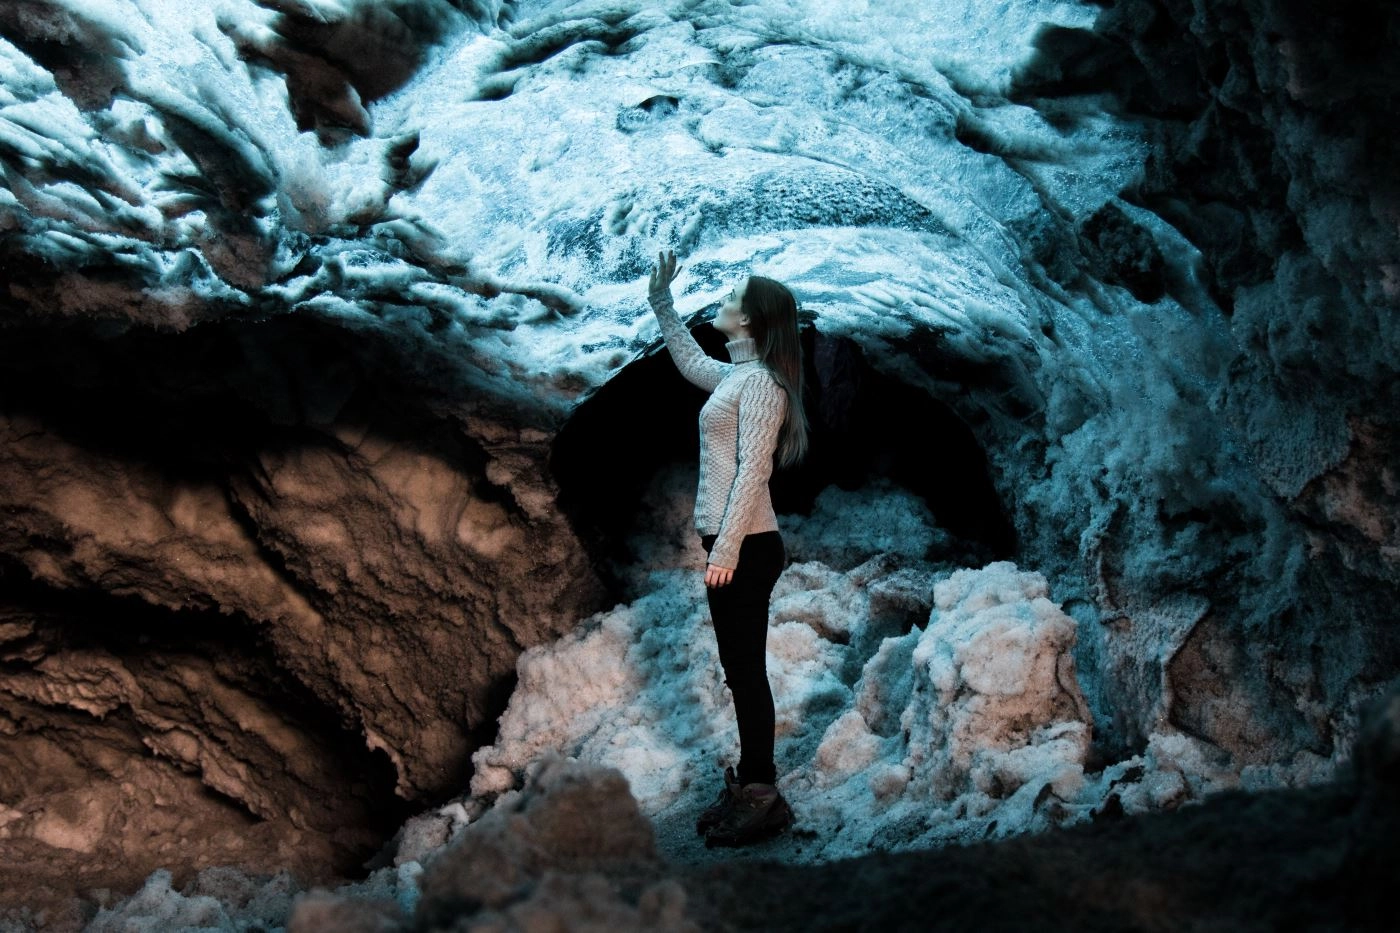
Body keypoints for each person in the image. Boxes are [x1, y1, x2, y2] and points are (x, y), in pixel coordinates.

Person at [646, 248, 810, 848]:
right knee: (740, 671)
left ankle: (761, 794)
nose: (722, 302)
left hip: (748, 544)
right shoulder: (741, 376)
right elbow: (693, 364)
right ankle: (753, 785)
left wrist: (727, 552)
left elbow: (751, 474)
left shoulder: (763, 386)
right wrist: (660, 300)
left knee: (745, 672)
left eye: (733, 299)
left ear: (753, 321)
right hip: (735, 541)